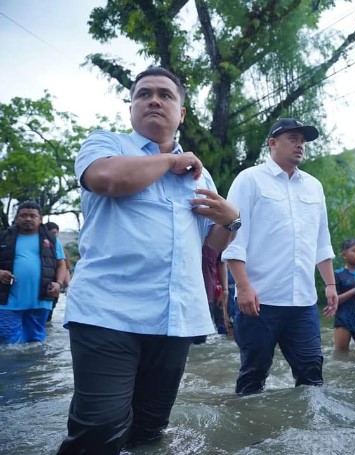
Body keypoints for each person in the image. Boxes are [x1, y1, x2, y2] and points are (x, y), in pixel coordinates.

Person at [57, 66, 240, 454]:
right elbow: (106, 179)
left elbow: (213, 243)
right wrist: (168, 162)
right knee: (99, 430)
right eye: (143, 94)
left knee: (149, 431)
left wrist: (231, 221)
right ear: (131, 108)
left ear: (182, 113)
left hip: (174, 317)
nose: (153, 100)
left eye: (165, 94)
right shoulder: (106, 145)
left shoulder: (200, 176)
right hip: (107, 312)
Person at [223, 117, 338, 395]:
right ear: (272, 143)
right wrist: (243, 287)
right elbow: (234, 238)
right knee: (253, 375)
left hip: (303, 302)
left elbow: (321, 240)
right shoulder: (249, 180)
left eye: (302, 140)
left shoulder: (314, 186)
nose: (300, 145)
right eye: (293, 139)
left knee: (312, 375)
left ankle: (310, 437)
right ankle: (252, 434)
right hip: (259, 300)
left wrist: (331, 285)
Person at [0, 202, 68, 343]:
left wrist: (58, 283)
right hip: (7, 299)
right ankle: (8, 366)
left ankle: (33, 366)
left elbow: (61, 264)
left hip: (40, 299)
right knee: (6, 339)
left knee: (35, 341)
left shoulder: (51, 240)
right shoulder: (3, 237)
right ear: (17, 218)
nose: (28, 219)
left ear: (40, 219)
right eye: (23, 215)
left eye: (32, 216)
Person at [45, 221, 71, 322]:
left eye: (55, 233)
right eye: (51, 233)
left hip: (55, 284)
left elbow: (66, 268)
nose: (53, 235)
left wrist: (68, 285)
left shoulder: (60, 248)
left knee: (49, 314)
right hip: (44, 284)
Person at [202, 244, 228, 336]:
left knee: (219, 329)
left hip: (211, 291)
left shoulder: (217, 238)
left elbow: (221, 262)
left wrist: (224, 289)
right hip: (189, 293)